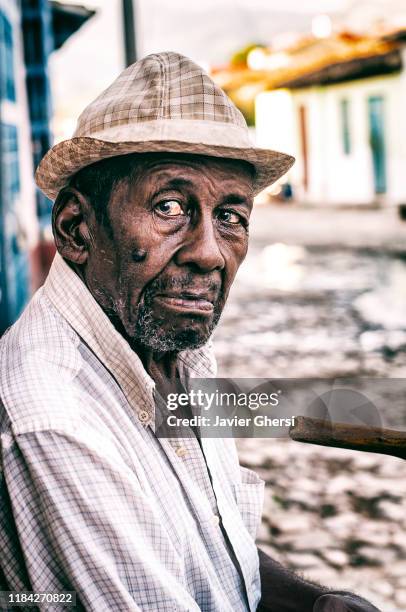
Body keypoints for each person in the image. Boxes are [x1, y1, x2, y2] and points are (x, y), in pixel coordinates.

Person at [0, 52, 379, 611]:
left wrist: (315, 605)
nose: (208, 253)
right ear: (78, 230)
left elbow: (207, 548)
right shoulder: (55, 415)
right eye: (170, 205)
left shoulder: (171, 351)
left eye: (231, 215)